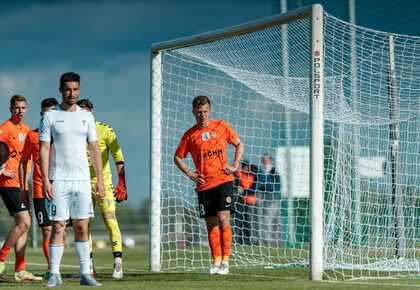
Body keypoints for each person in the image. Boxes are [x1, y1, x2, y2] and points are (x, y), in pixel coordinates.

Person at [39, 72, 105, 287]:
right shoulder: (49, 116)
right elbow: (44, 149)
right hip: (59, 180)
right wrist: (46, 180)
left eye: (75, 89)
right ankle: (55, 274)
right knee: (58, 226)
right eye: (68, 89)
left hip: (83, 181)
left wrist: (100, 180)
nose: (72, 93)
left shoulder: (87, 116)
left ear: (79, 89)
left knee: (82, 226)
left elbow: (94, 148)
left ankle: (86, 274)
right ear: (61, 90)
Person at [174, 95, 244, 275]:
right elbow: (177, 157)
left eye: (205, 111)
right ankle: (216, 263)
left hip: (223, 181)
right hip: (204, 185)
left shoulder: (221, 126)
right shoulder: (189, 135)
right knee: (211, 225)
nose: (202, 115)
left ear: (210, 111)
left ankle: (226, 263)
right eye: (198, 112)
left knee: (223, 219)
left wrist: (235, 165)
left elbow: (239, 144)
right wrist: (190, 173)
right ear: (193, 113)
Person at [76, 98, 127, 279]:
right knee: (83, 224)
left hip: (103, 183)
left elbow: (118, 156)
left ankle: (118, 264)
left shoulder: (105, 130)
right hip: (81, 183)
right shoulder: (72, 133)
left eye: (86, 111)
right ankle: (89, 266)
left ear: (91, 112)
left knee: (110, 219)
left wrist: (122, 183)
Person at [0, 95, 42, 282]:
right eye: (17, 108)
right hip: (9, 183)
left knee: (24, 227)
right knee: (25, 223)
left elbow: (28, 158)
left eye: (23, 107)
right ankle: (1, 258)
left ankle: (20, 270)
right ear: (10, 109)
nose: (20, 111)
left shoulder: (27, 130)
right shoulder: (4, 129)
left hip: (23, 185)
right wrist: (2, 171)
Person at [19, 98, 58, 280]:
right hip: (40, 190)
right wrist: (23, 188)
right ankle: (52, 269)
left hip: (61, 189)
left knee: (61, 230)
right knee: (47, 230)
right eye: (45, 113)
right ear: (41, 115)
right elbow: (23, 161)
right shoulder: (33, 136)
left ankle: (58, 266)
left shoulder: (62, 136)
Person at [257, 154, 281, 245]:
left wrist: (267, 183)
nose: (265, 161)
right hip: (263, 199)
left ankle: (271, 240)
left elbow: (277, 187)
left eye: (266, 160)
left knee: (271, 220)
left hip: (273, 199)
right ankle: (266, 240)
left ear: (270, 160)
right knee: (265, 219)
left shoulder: (274, 172)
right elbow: (258, 186)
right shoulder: (260, 172)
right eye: (263, 160)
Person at [234, 160, 258, 246]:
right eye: (243, 166)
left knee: (249, 221)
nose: (245, 168)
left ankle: (251, 240)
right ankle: (239, 240)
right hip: (240, 201)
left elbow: (253, 189)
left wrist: (244, 191)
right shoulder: (239, 175)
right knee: (239, 220)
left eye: (246, 166)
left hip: (250, 202)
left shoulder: (253, 176)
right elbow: (236, 183)